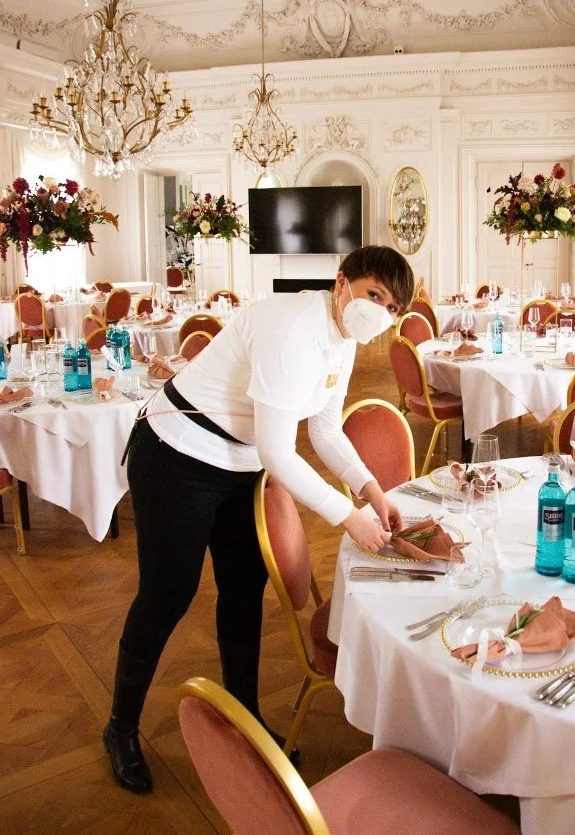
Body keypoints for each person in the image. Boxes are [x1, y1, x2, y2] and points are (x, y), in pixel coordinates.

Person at [104, 245, 414, 793]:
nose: (380, 313)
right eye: (374, 295)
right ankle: (120, 728)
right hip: (177, 453)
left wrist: (371, 491)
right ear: (342, 282)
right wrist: (349, 518)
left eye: (392, 308)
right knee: (167, 595)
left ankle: (244, 723)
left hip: (240, 460)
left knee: (244, 591)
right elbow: (279, 450)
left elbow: (324, 430)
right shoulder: (292, 325)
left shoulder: (340, 341)